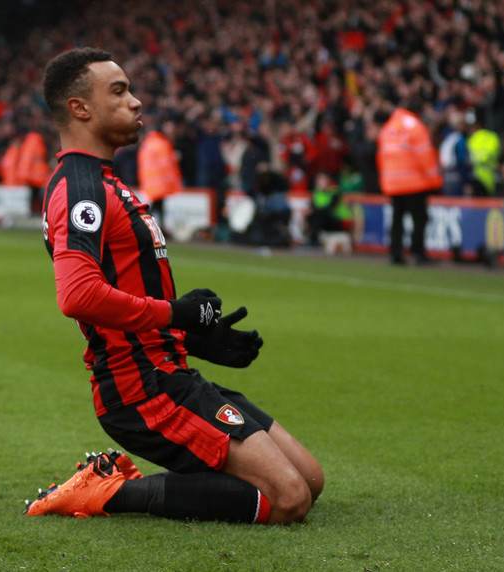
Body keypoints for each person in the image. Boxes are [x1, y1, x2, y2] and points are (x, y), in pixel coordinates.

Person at [24, 47, 323, 525]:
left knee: (309, 481)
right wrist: (176, 316)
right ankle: (108, 491)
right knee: (288, 499)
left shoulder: (105, 180)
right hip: (140, 388)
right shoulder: (81, 187)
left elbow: (129, 290)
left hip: (169, 369)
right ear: (79, 108)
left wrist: (195, 338)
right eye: (119, 92)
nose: (136, 101)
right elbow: (77, 296)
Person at [376, 106, 443, 265]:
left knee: (397, 219)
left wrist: (385, 182)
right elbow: (425, 155)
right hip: (414, 182)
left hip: (393, 183)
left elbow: (381, 158)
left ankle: (395, 253)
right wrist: (436, 181)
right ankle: (418, 253)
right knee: (419, 219)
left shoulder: (388, 128)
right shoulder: (415, 126)